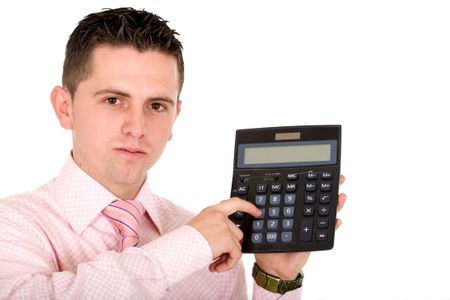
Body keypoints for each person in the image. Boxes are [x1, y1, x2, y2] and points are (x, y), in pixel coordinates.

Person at [0, 7, 346, 299]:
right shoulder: (12, 226)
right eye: (113, 100)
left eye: (156, 105)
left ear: (174, 117)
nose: (136, 127)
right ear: (65, 108)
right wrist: (187, 248)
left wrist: (275, 280)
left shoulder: (213, 245)